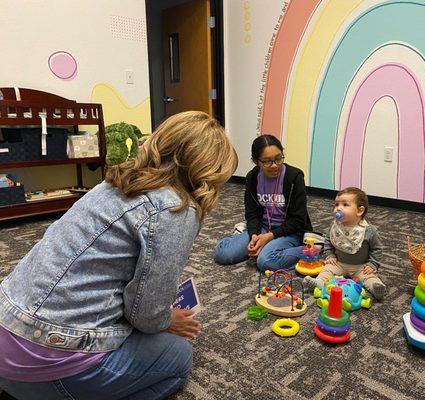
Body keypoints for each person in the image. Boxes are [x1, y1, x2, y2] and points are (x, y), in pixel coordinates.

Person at [0, 111, 237, 400]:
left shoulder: (112, 182)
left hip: (6, 340)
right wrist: (167, 320)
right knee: (179, 357)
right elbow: (147, 316)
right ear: (209, 172)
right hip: (51, 366)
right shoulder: (176, 209)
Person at [214, 134, 314, 271]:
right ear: (255, 161)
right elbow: (252, 213)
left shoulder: (294, 177)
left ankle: (311, 250)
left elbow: (298, 220)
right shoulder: (252, 177)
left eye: (278, 159)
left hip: (289, 232)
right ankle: (244, 236)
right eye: (267, 161)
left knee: (265, 261)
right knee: (223, 254)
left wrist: (269, 237)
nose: (274, 165)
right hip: (263, 228)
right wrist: (254, 235)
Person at [304, 187, 386, 300]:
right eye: (336, 204)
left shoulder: (369, 230)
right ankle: (319, 283)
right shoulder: (335, 226)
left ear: (359, 211)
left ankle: (377, 288)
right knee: (327, 270)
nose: (338, 208)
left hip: (360, 266)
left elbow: (377, 249)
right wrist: (330, 255)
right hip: (339, 263)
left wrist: (373, 264)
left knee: (369, 277)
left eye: (345, 205)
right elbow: (328, 241)